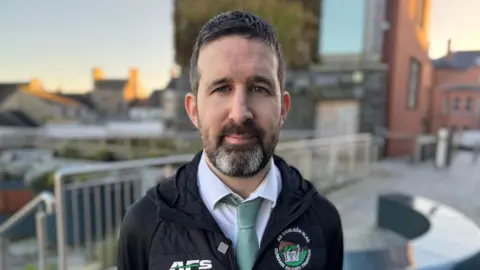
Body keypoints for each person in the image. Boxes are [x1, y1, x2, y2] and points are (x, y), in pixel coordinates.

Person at [117, 10, 344, 270]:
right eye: (221, 88)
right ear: (194, 111)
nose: (240, 113)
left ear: (282, 108)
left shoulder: (323, 221)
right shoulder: (145, 225)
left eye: (259, 88)